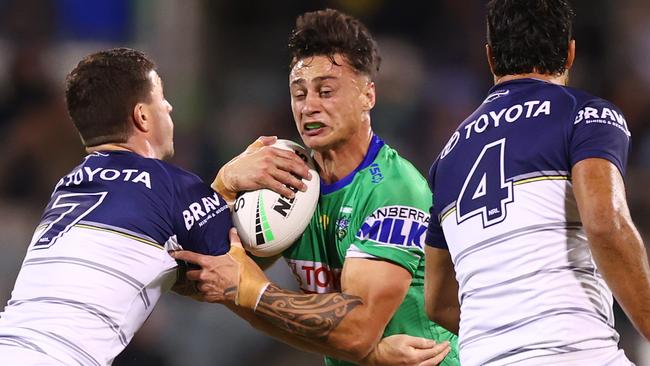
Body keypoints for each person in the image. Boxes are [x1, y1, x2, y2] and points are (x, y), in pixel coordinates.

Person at [172, 8, 458, 366]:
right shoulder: (288, 179)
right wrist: (224, 184)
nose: (309, 107)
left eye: (326, 91)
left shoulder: (395, 191)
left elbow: (355, 330)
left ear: (368, 95)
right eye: (299, 93)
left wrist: (249, 291)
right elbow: (194, 279)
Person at [0, 48, 307, 366]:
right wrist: (230, 181)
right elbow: (234, 271)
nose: (169, 106)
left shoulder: (68, 185)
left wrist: (220, 190)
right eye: (162, 97)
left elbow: (165, 230)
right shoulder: (170, 184)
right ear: (143, 116)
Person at [423, 1, 650, 365]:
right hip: (576, 354)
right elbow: (607, 223)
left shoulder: (446, 160)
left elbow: (438, 301)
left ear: (491, 57)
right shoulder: (586, 114)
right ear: (570, 52)